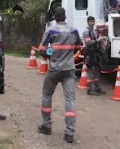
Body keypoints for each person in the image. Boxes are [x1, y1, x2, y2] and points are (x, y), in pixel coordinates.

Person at [37, 7, 81, 144]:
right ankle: (69, 133)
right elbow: (78, 46)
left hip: (54, 69)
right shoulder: (74, 30)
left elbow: (42, 51)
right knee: (70, 100)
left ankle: (46, 125)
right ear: (65, 16)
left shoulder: (50, 30)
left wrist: (52, 55)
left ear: (55, 17)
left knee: (46, 95)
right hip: (69, 69)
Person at [82, 16, 107, 95]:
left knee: (97, 71)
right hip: (90, 54)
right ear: (88, 22)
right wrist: (97, 40)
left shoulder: (94, 31)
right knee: (91, 72)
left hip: (96, 54)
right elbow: (88, 43)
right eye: (91, 21)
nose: (92, 23)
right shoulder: (86, 31)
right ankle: (90, 90)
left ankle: (97, 89)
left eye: (93, 21)